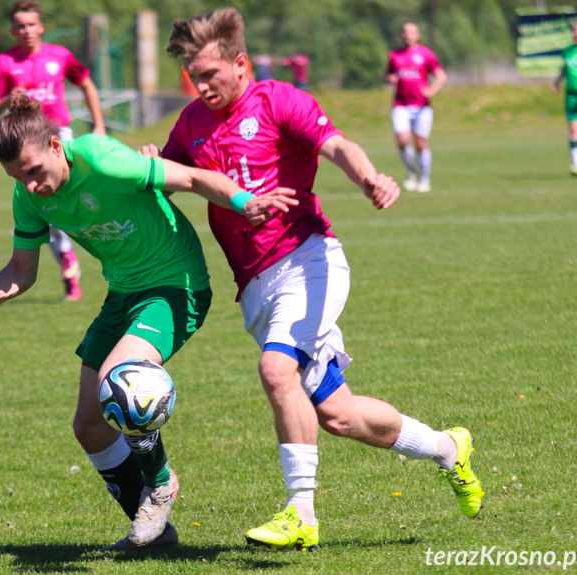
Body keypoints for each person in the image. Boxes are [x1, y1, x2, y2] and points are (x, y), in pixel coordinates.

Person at [144, 7, 483, 551]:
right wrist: (149, 164)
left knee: (276, 371)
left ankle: (300, 509)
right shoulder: (191, 123)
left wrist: (370, 178)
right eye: (194, 75)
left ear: (240, 63)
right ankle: (448, 449)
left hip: (308, 259)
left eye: (210, 73)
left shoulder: (278, 100)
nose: (201, 85)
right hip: (254, 285)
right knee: (339, 415)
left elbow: (338, 146)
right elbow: (170, 173)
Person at [0, 96, 296, 550]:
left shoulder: (102, 159)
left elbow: (193, 177)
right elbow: (21, 272)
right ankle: (156, 536)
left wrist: (246, 202)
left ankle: (160, 483)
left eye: (33, 170)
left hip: (174, 285)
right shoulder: (28, 197)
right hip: (123, 293)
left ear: (57, 145)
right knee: (89, 425)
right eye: (17, 177)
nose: (30, 184)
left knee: (117, 381)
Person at [0, 1, 107, 301]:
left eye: (31, 24)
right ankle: (68, 264)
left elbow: (87, 84)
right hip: (27, 145)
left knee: (84, 193)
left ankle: (106, 241)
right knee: (47, 208)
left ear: (40, 26)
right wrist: (5, 101)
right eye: (20, 26)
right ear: (13, 30)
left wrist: (99, 125)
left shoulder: (60, 55)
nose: (26, 30)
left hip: (59, 137)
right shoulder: (4, 62)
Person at [385, 21, 446, 193]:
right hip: (401, 105)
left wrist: (432, 91)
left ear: (418, 35)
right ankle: (411, 173)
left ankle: (424, 178)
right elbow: (389, 74)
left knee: (420, 144)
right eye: (405, 32)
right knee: (402, 140)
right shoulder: (394, 55)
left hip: (421, 106)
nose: (408, 35)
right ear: (401, 35)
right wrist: (391, 79)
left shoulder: (426, 54)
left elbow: (441, 76)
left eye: (412, 32)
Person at [551, 21, 577, 177]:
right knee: (574, 130)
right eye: (576, 31)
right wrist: (557, 81)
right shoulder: (567, 50)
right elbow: (564, 67)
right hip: (573, 95)